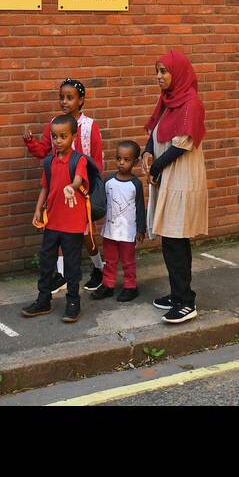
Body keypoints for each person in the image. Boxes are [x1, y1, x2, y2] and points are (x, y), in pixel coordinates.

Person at [142, 49, 209, 324]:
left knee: (176, 241)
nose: (158, 76)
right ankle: (177, 293)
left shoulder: (191, 102)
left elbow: (182, 143)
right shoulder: (168, 100)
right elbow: (156, 131)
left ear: (178, 73)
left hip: (181, 180)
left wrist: (156, 167)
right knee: (170, 241)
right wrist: (147, 152)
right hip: (168, 179)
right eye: (157, 71)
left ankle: (186, 301)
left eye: (163, 71)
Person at [23, 79, 105, 292]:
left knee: (86, 232)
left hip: (81, 189)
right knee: (57, 229)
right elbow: (43, 151)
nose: (64, 101)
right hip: (58, 189)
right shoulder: (55, 123)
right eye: (61, 97)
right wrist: (31, 142)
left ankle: (98, 267)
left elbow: (97, 160)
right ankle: (60, 276)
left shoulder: (89, 126)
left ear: (81, 100)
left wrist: (92, 187)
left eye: (70, 97)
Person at [23, 114, 91, 323]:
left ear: (73, 136)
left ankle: (73, 302)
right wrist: (37, 210)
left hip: (73, 224)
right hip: (52, 221)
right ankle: (43, 300)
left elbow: (79, 178)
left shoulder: (79, 160)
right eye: (55, 136)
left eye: (63, 136)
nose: (58, 140)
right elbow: (45, 187)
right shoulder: (49, 161)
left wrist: (72, 186)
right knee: (46, 262)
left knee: (72, 265)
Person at [92, 140, 147, 301]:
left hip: (128, 232)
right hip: (110, 230)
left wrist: (141, 230)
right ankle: (108, 285)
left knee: (128, 262)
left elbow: (140, 208)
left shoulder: (135, 184)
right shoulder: (108, 181)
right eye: (118, 158)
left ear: (135, 162)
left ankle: (131, 286)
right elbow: (100, 203)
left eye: (126, 159)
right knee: (110, 260)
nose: (121, 163)